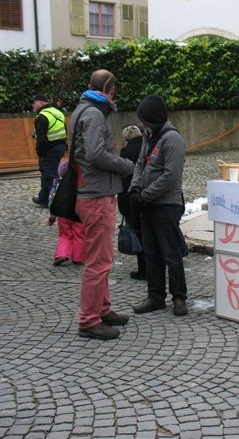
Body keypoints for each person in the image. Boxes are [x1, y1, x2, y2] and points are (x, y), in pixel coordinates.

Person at [71, 69, 135, 340]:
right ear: (110, 90)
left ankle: (102, 309)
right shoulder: (95, 114)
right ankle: (89, 320)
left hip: (89, 191)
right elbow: (96, 154)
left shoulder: (80, 111)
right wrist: (125, 165)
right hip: (97, 195)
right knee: (99, 262)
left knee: (101, 259)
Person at [131, 95, 188, 317]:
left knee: (171, 253)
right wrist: (135, 189)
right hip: (147, 204)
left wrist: (146, 195)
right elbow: (140, 164)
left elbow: (171, 176)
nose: (143, 124)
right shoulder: (148, 135)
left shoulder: (172, 139)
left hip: (166, 204)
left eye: (145, 120)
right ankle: (155, 297)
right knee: (151, 252)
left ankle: (179, 297)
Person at [118, 125, 146, 280]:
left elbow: (123, 176)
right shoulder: (146, 148)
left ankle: (143, 268)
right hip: (146, 195)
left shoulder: (125, 152)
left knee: (137, 233)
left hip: (131, 197)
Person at [31, 94, 67, 207]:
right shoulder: (57, 112)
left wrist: (41, 154)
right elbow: (64, 130)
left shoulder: (42, 116)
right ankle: (43, 199)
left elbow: (41, 139)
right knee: (46, 174)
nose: (32, 105)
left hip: (49, 149)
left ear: (41, 102)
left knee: (49, 174)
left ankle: (56, 202)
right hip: (60, 146)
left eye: (34, 102)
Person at [48, 160, 86, 266]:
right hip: (78, 214)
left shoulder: (58, 183)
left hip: (63, 214)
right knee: (79, 235)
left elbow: (53, 200)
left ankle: (61, 254)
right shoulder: (82, 184)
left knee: (64, 235)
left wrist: (52, 217)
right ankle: (78, 258)